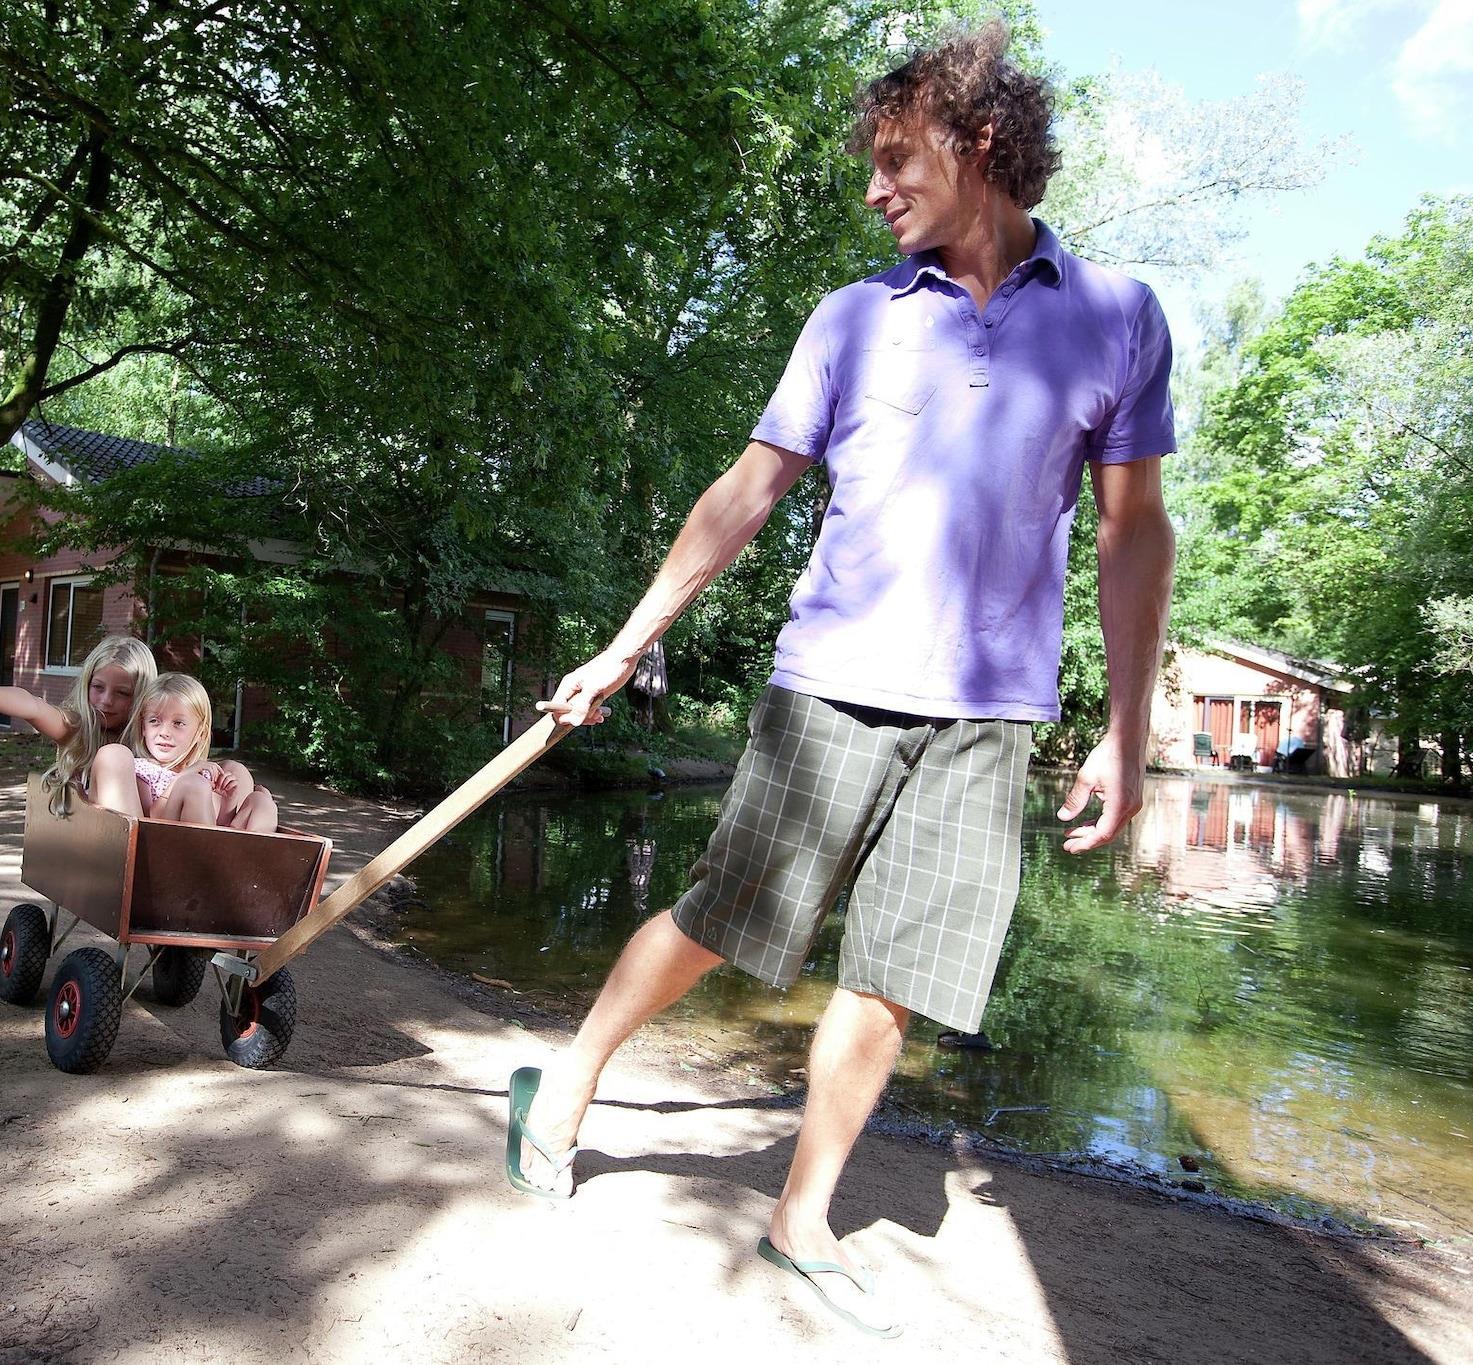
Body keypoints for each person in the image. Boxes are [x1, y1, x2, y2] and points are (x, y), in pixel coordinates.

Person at [504, 21, 1176, 1341]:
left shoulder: (1116, 320)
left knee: (893, 977)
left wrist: (1128, 728)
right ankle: (570, 1079)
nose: (874, 189)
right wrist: (625, 643)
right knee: (720, 917)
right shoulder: (853, 318)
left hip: (988, 714)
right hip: (832, 686)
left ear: (979, 141)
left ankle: (800, 1213)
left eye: (894, 158)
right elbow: (745, 491)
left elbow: (1131, 530)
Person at [0, 633, 156, 817]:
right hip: (98, 847)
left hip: (151, 846)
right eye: (98, 687)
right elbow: (33, 706)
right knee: (114, 755)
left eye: (122, 693)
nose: (106, 700)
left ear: (141, 695)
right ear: (86, 684)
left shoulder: (160, 739)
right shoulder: (77, 728)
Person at [93, 672, 280, 832]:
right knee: (193, 784)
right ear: (143, 728)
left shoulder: (205, 773)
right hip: (167, 845)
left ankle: (250, 859)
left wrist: (229, 801)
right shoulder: (142, 771)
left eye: (178, 723)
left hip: (212, 842)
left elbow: (220, 823)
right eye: (154, 721)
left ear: (200, 733)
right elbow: (153, 818)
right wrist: (183, 778)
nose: (164, 732)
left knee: (262, 802)